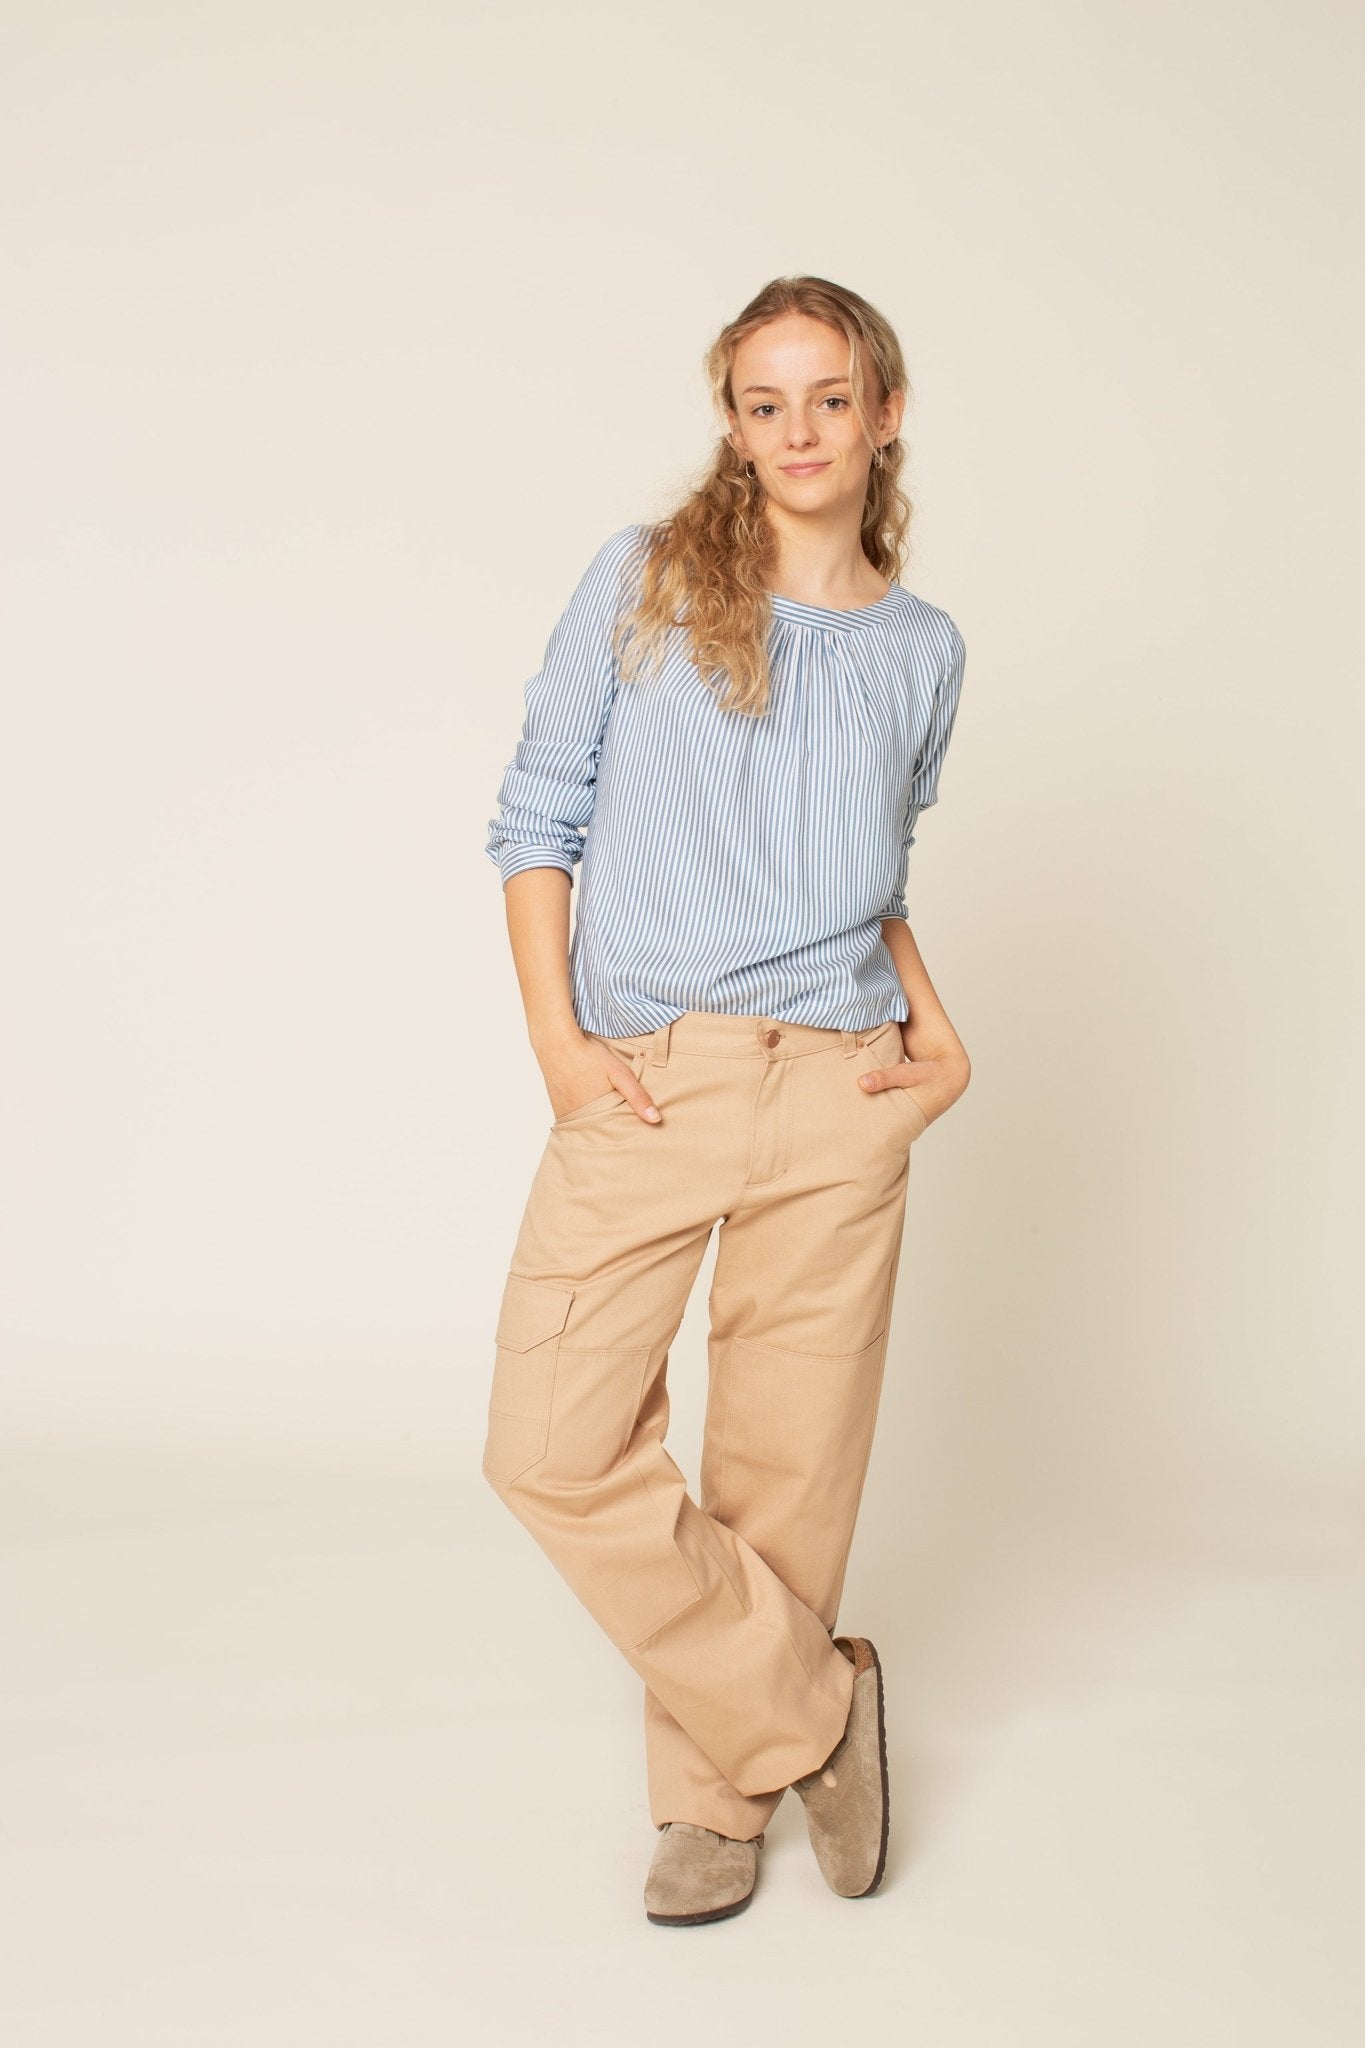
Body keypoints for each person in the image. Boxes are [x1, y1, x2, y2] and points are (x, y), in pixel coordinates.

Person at [480, 274, 970, 1926]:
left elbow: (871, 880)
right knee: (548, 1448)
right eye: (765, 404)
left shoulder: (922, 650)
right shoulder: (643, 580)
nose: (797, 432)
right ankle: (815, 1712)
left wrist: (936, 1039)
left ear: (882, 413)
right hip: (649, 1078)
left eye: (827, 399)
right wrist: (560, 1046)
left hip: (840, 1084)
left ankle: (711, 1804)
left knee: (785, 1470)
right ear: (734, 424)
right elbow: (537, 816)